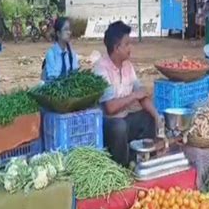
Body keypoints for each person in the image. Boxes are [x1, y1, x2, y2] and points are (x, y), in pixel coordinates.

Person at [93, 21, 160, 166]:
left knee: (148, 117)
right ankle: (121, 167)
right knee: (119, 127)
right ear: (116, 48)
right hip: (108, 124)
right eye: (127, 44)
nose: (131, 48)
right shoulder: (101, 69)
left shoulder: (128, 66)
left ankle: (140, 159)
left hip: (125, 119)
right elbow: (110, 108)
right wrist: (134, 96)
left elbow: (141, 93)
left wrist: (157, 117)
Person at [41, 17, 79, 82]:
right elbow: (52, 79)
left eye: (69, 30)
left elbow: (75, 74)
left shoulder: (72, 54)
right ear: (58, 33)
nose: (69, 32)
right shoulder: (51, 54)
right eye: (66, 30)